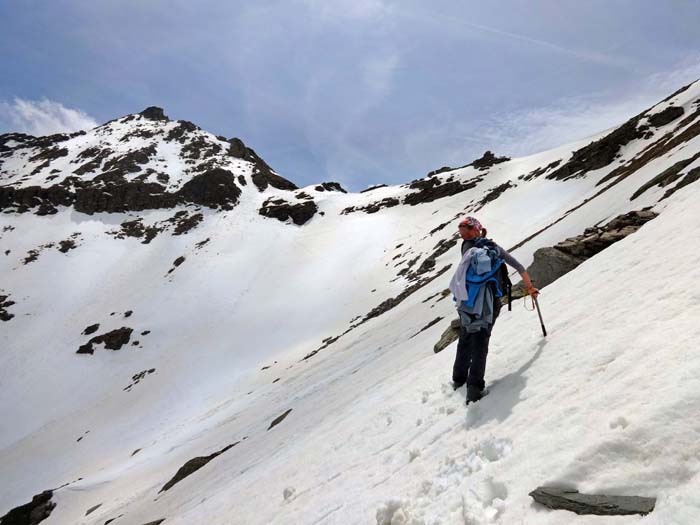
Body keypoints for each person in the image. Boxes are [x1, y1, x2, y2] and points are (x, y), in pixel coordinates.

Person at [449, 216, 539, 404]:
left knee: (466, 336)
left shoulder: (466, 248)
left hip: (467, 301)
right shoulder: (493, 248)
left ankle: (459, 379)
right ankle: (474, 389)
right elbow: (518, 266)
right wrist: (530, 287)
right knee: (481, 340)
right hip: (490, 302)